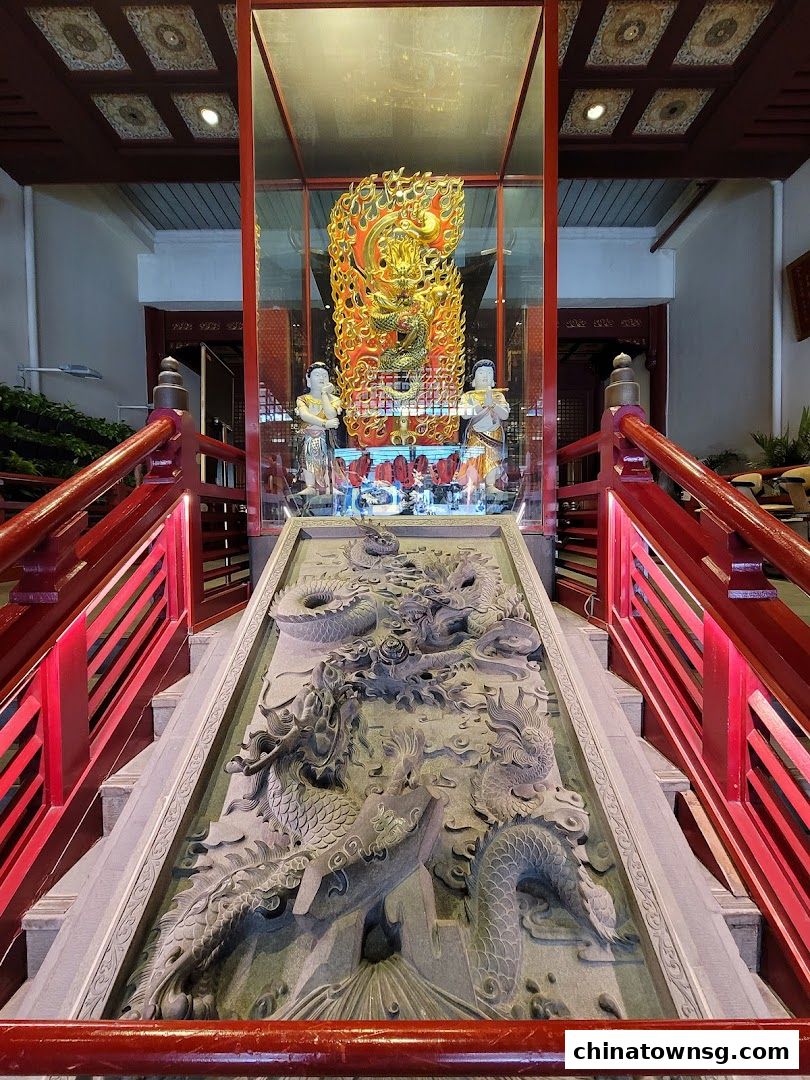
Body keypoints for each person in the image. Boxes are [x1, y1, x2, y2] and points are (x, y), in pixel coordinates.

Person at [457, 359, 510, 490]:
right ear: (474, 380)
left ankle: (491, 485)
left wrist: (492, 403)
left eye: (489, 373)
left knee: (493, 461)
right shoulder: (468, 396)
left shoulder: (498, 395)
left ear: (493, 381)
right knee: (474, 460)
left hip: (493, 434)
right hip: (476, 435)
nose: (485, 376)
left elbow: (504, 415)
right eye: (481, 373)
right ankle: (472, 485)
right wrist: (482, 404)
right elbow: (464, 414)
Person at [295, 362, 342, 495]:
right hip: (308, 436)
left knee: (327, 460)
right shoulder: (303, 399)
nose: (321, 378)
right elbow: (305, 415)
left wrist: (324, 394)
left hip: (325, 437)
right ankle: (310, 485)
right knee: (307, 459)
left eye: (324, 375)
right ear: (308, 379)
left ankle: (329, 486)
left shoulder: (334, 399)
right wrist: (325, 424)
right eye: (317, 375)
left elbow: (330, 414)